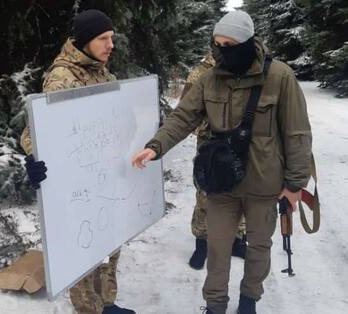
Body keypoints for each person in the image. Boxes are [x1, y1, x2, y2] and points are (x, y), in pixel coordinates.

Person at [132, 10, 312, 314]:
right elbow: (183, 117)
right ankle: (215, 304)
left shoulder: (280, 76)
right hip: (221, 182)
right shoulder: (209, 79)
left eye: (229, 44)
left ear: (247, 42)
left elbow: (297, 133)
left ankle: (248, 301)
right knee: (217, 247)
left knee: (259, 247)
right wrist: (156, 146)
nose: (222, 50)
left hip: (263, 184)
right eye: (218, 44)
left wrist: (295, 184)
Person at [21, 9, 135, 314]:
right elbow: (33, 132)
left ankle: (107, 303)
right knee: (84, 248)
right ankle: (90, 309)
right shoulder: (62, 78)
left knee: (109, 241)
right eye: (103, 38)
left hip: (104, 173)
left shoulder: (103, 72)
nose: (111, 44)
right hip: (78, 181)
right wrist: (36, 157)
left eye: (112, 38)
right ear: (85, 41)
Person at [182, 53, 247, 270]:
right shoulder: (201, 73)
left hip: (241, 144)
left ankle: (238, 239)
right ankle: (202, 242)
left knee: (240, 190)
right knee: (205, 194)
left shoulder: (247, 69)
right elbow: (186, 110)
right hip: (211, 147)